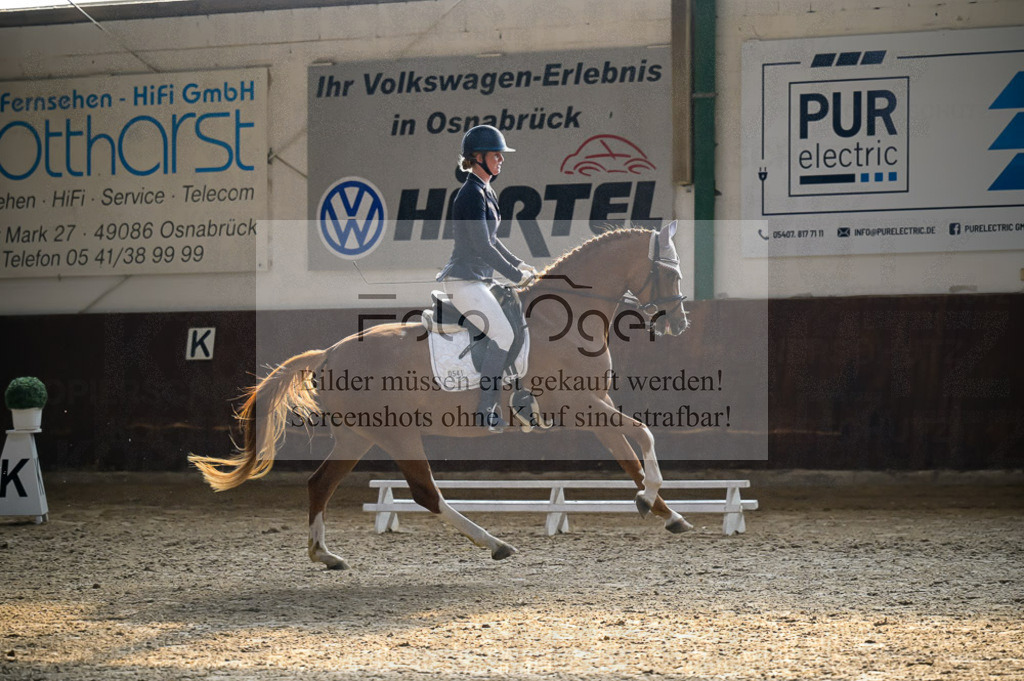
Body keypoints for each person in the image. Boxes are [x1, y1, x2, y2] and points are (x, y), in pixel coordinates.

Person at [437, 125, 538, 432]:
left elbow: (493, 241)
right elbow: (481, 245)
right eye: (496, 155)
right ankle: (486, 409)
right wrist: (514, 274)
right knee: (503, 335)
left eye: (500, 155)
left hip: (479, 280)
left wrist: (520, 265)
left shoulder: (486, 191)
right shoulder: (469, 193)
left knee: (515, 320)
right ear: (477, 157)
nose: (501, 160)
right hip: (463, 281)